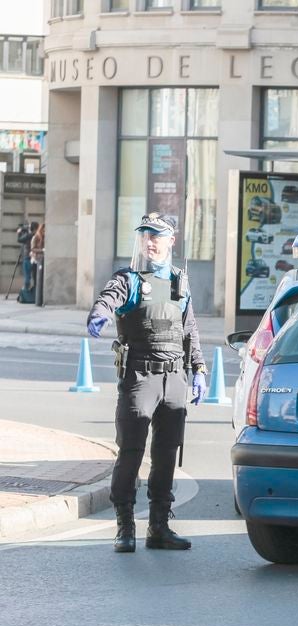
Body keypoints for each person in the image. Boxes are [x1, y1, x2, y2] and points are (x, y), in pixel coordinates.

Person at [87, 213, 207, 553]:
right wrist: (101, 311)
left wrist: (198, 368)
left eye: (157, 235)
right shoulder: (129, 279)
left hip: (174, 378)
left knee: (167, 453)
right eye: (144, 235)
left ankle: (159, 526)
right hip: (140, 376)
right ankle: (125, 525)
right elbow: (110, 296)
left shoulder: (179, 281)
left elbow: (189, 329)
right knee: (131, 451)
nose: (149, 241)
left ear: (171, 240)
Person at [16, 221, 36, 304]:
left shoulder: (29, 235)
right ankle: (31, 294)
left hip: (28, 258)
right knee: (34, 277)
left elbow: (19, 240)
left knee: (27, 277)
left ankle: (25, 294)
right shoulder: (34, 235)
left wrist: (19, 233)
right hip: (34, 259)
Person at [29, 222, 44, 305]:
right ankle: (36, 298)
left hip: (42, 260)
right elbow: (33, 249)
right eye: (43, 230)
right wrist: (42, 250)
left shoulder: (45, 238)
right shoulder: (36, 237)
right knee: (35, 279)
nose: (44, 232)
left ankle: (39, 298)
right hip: (36, 260)